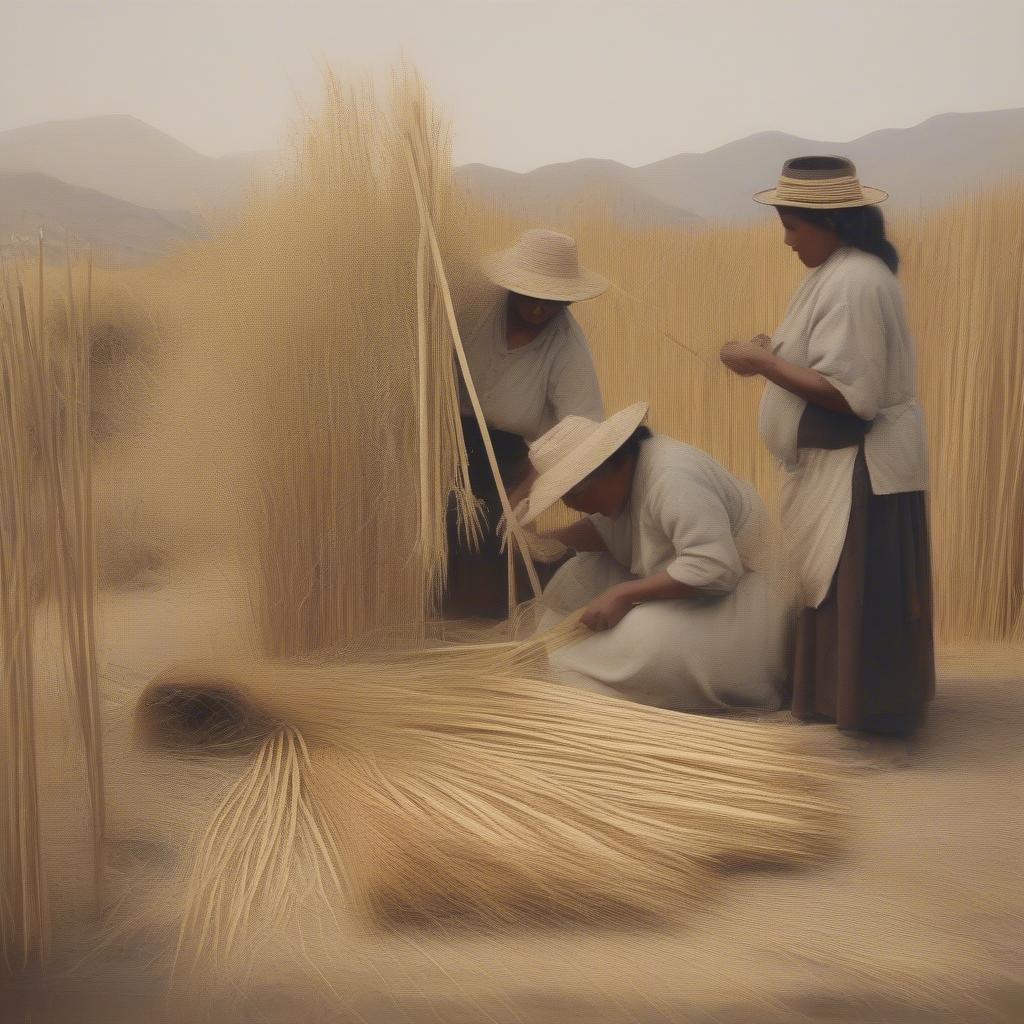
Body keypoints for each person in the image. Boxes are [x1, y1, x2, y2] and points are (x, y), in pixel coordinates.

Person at [719, 155, 935, 737]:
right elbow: (828, 359)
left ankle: (866, 702)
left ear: (829, 223)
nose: (786, 240)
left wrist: (764, 363)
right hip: (842, 466)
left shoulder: (854, 283)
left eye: (791, 226)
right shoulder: (839, 272)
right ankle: (844, 695)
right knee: (836, 586)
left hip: (860, 471)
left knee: (852, 582)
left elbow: (852, 395)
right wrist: (771, 351)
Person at [518, 403, 793, 712]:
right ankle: (556, 659)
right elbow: (612, 532)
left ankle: (568, 670)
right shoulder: (626, 480)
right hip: (694, 595)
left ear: (612, 464)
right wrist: (549, 542)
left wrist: (623, 595)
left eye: (575, 496)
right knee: (578, 574)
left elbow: (716, 567)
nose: (573, 507)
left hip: (744, 610)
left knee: (642, 637)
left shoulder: (672, 476)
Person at [446, 229, 608, 619]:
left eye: (550, 302)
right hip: (445, 438)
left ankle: (484, 633)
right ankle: (437, 623)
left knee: (496, 542)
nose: (538, 309)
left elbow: (580, 427)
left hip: (506, 457)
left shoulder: (567, 345)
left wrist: (524, 490)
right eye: (530, 296)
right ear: (510, 286)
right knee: (438, 542)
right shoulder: (472, 309)